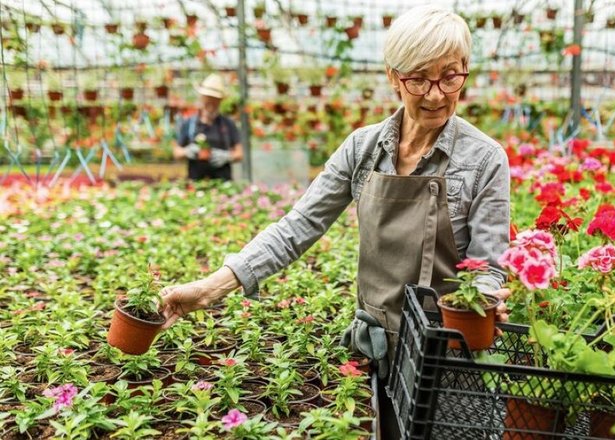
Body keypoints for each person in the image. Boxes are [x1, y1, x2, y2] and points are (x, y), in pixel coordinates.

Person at [159, 6, 510, 437]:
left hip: (449, 355)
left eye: (449, 76)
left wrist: (488, 301)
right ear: (392, 77)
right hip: (378, 347)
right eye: (418, 78)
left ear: (465, 71)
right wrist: (211, 287)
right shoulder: (362, 149)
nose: (435, 94)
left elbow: (489, 266)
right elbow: (297, 227)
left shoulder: (485, 159)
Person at [173, 73, 243, 181]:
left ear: (220, 100)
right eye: (208, 97)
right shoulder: (189, 123)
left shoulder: (228, 124)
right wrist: (187, 152)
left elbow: (239, 153)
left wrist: (227, 156)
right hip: (196, 184)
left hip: (223, 184)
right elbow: (177, 152)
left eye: (215, 98)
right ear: (202, 98)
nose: (211, 102)